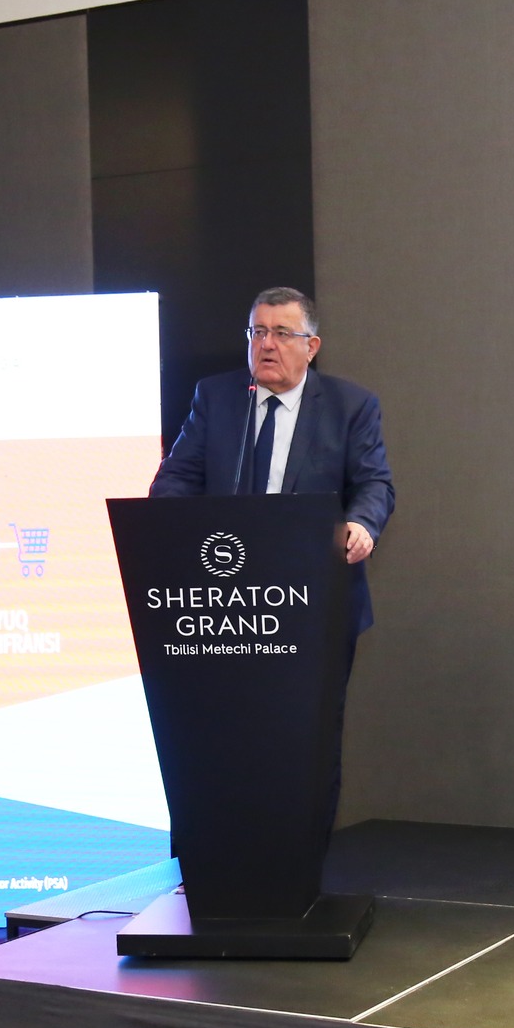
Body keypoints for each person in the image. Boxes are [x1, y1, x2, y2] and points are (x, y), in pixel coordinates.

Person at [149, 286, 395, 829]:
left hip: (312, 604)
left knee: (304, 740)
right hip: (220, 607)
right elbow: (176, 478)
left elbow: (374, 484)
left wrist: (361, 524)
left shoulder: (351, 406)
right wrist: (173, 528)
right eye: (257, 332)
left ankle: (302, 857)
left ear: (312, 346)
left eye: (282, 333)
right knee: (223, 738)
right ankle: (224, 853)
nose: (266, 344)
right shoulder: (216, 398)